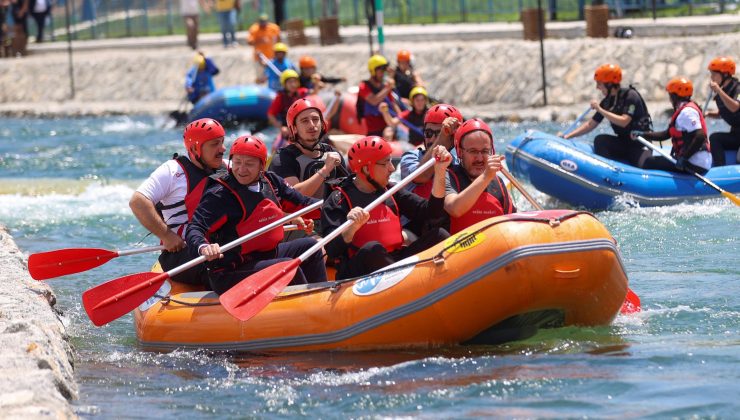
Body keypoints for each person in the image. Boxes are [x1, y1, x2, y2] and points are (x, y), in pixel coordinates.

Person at [186, 135, 327, 294]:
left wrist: (337, 207)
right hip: (231, 270)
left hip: (266, 256)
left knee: (312, 246)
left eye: (249, 164)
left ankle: (320, 295)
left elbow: (304, 204)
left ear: (262, 165)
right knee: (287, 265)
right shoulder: (219, 194)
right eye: (237, 162)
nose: (241, 169)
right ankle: (307, 308)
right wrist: (204, 247)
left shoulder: (271, 181)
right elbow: (195, 228)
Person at [320, 136, 452, 280]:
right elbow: (332, 250)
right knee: (372, 249)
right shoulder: (339, 199)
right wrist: (351, 229)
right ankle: (405, 283)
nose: (392, 168)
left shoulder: (390, 190)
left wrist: (440, 171)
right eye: (386, 163)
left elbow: (432, 213)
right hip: (359, 272)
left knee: (440, 235)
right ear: (366, 169)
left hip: (393, 261)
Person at [130, 118, 227, 286]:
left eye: (222, 142)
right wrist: (166, 236)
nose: (222, 149)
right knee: (222, 262)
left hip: (220, 245)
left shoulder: (228, 167)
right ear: (196, 148)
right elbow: (138, 202)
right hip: (183, 253)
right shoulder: (173, 171)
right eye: (214, 144)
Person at [560, 64, 653, 167]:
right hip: (623, 142)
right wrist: (567, 136)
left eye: (599, 84)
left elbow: (624, 121)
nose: (597, 87)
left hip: (639, 145)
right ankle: (607, 171)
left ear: (609, 84)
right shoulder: (607, 102)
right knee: (600, 140)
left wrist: (600, 110)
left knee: (644, 164)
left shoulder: (631, 96)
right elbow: (590, 124)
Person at [443, 119, 516, 234]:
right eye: (473, 151)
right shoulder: (448, 175)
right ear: (460, 152)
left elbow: (514, 222)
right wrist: (486, 177)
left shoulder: (498, 182)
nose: (480, 158)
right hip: (455, 249)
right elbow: (454, 209)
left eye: (485, 151)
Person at [268, 97, 346, 200]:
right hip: (300, 215)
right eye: (305, 121)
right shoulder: (283, 158)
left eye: (315, 119)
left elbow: (347, 190)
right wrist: (325, 170)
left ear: (322, 124)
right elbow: (293, 196)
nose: (312, 125)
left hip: (329, 214)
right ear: (294, 128)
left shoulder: (333, 153)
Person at [634, 77, 712, 174]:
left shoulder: (687, 112)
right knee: (655, 160)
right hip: (691, 161)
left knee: (648, 162)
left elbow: (700, 136)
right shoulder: (683, 109)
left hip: (695, 164)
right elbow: (666, 134)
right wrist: (643, 134)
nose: (669, 98)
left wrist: (684, 158)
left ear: (675, 96)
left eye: (670, 95)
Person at [705, 56, 740, 166]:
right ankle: (719, 167)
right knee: (715, 138)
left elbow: (735, 107)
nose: (712, 78)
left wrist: (719, 91)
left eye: (714, 74)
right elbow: (725, 112)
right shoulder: (724, 90)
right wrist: (708, 114)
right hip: (736, 134)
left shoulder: (738, 88)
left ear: (725, 74)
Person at [357, 54, 401, 136]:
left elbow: (394, 105)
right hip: (372, 131)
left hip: (387, 128)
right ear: (373, 71)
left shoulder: (385, 86)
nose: (383, 73)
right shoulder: (363, 86)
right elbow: (374, 101)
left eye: (384, 70)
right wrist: (388, 88)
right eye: (381, 70)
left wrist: (401, 116)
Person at [266, 69, 310, 137]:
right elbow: (270, 115)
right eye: (290, 82)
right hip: (288, 129)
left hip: (303, 126)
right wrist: (281, 127)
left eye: (295, 81)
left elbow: (313, 93)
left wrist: (317, 86)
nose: (293, 84)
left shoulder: (302, 92)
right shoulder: (280, 97)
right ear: (284, 84)